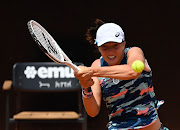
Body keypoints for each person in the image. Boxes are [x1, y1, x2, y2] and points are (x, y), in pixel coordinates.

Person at [74, 19, 168, 130]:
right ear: (98, 47)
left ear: (124, 43)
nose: (111, 52)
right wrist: (86, 87)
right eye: (105, 47)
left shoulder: (134, 52)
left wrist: (92, 72)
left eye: (115, 46)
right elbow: (93, 111)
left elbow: (132, 71)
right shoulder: (96, 65)